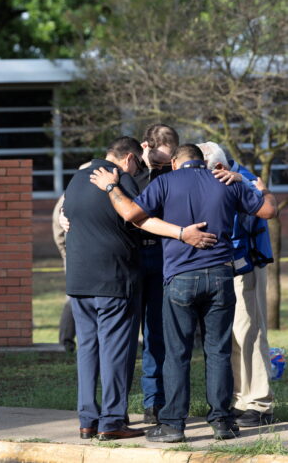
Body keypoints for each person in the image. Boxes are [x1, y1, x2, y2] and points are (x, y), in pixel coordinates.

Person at [89, 144, 277, 442]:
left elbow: (130, 213)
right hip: (221, 277)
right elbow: (269, 210)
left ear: (175, 163)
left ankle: (173, 425)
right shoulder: (225, 181)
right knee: (219, 351)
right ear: (203, 163)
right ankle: (223, 422)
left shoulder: (164, 181)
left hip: (179, 279)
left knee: (177, 353)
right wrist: (260, 188)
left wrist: (111, 186)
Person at [64, 137, 217, 441]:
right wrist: (181, 233)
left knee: (87, 350)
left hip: (78, 280)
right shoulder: (120, 180)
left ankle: (87, 420)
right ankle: (112, 421)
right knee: (115, 351)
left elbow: (67, 216)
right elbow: (140, 218)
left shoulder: (76, 179)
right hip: (114, 279)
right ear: (131, 159)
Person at [198, 142, 275, 427]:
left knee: (249, 334)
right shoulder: (221, 175)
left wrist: (245, 184)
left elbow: (266, 208)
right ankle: (239, 399)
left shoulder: (243, 179)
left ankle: (258, 404)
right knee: (229, 337)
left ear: (218, 167)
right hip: (220, 269)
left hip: (245, 267)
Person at [134, 124, 179, 423]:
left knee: (156, 333)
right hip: (131, 257)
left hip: (164, 255)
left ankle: (154, 401)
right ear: (145, 147)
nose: (162, 167)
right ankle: (115, 406)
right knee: (124, 334)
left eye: (168, 162)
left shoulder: (176, 173)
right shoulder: (128, 172)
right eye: (158, 162)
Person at [52, 194, 77, 353]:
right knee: (72, 299)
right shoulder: (70, 194)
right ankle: (65, 341)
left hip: (73, 253)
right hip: (73, 255)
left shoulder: (71, 191)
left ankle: (65, 341)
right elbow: (58, 227)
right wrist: (65, 253)